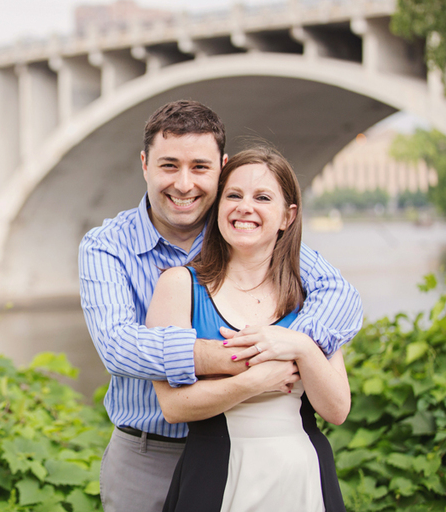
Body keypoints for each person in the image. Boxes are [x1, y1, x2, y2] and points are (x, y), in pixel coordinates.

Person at [78, 100, 361, 512]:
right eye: (169, 165)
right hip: (149, 453)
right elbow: (118, 347)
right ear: (144, 163)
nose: (184, 183)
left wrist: (296, 345)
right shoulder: (107, 246)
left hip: (248, 452)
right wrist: (253, 360)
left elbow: (340, 296)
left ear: (221, 167)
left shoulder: (245, 230)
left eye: (200, 168)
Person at [148, 146, 349, 511]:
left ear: (287, 216)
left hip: (303, 475)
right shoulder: (179, 287)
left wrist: (301, 347)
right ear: (218, 207)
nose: (245, 207)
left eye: (262, 198)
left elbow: (336, 409)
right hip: (217, 475)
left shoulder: (312, 296)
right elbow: (173, 406)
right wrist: (256, 380)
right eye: (234, 195)